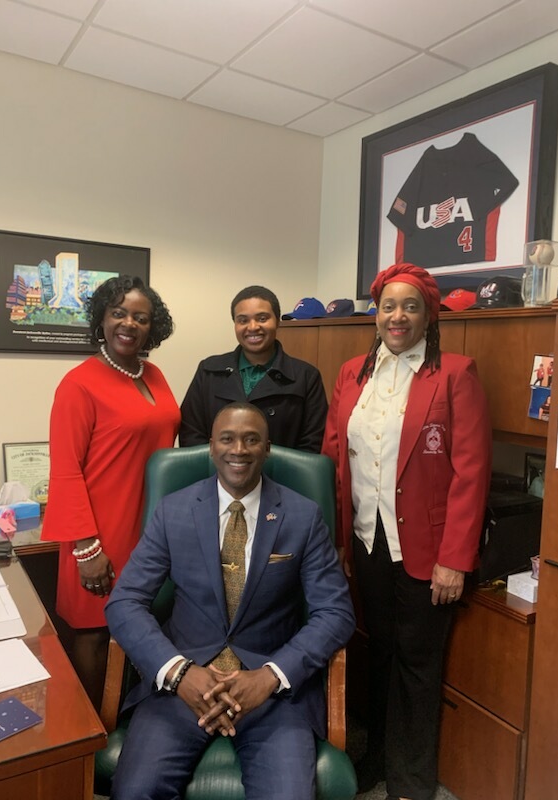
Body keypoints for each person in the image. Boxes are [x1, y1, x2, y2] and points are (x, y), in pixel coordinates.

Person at [105, 402, 355, 800]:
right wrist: (178, 673)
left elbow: (336, 613)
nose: (238, 449)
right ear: (211, 446)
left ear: (267, 448)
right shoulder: (174, 511)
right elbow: (125, 602)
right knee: (136, 791)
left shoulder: (302, 516)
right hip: (182, 687)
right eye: (228, 438)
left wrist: (271, 675)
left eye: (251, 439)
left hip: (272, 695)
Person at [322, 263, 492, 800]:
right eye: (388, 306)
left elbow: (471, 471)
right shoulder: (353, 372)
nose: (397, 316)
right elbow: (334, 455)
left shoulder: (455, 374)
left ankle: (412, 782)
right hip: (367, 542)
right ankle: (373, 761)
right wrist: (340, 540)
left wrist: (455, 558)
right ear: (375, 313)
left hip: (427, 549)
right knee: (376, 653)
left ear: (428, 314)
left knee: (418, 665)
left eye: (410, 306)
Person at [42, 275, 180, 709]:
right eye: (118, 313)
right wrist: (86, 547)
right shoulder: (79, 383)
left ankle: (130, 723)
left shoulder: (153, 374)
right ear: (101, 318)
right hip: (99, 531)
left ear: (152, 327)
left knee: (141, 628)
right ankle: (92, 739)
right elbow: (65, 470)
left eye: (141, 317)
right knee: (94, 632)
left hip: (149, 526)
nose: (129, 324)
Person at [179, 285, 328, 452]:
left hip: (282, 476)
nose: (252, 327)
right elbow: (190, 433)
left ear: (277, 321)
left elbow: (313, 443)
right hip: (216, 474)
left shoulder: (306, 377)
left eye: (262, 318)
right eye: (243, 320)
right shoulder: (208, 370)